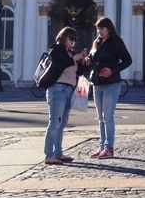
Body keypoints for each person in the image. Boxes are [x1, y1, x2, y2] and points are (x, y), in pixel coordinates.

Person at [84, 17, 132, 159]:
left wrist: (113, 70)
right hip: (97, 83)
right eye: (98, 28)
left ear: (109, 29)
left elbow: (128, 60)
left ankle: (109, 147)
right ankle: (102, 146)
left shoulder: (116, 43)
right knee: (100, 117)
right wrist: (88, 61)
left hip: (111, 83)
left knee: (108, 117)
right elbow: (94, 59)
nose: (99, 31)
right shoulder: (97, 43)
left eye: (102, 28)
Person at [44, 27, 88, 165]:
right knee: (54, 122)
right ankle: (49, 154)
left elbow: (77, 72)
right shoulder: (56, 49)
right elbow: (58, 65)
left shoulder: (71, 53)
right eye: (71, 38)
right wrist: (74, 58)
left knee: (62, 123)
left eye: (75, 39)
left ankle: (58, 152)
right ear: (63, 37)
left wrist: (83, 63)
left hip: (69, 90)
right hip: (58, 89)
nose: (73, 42)